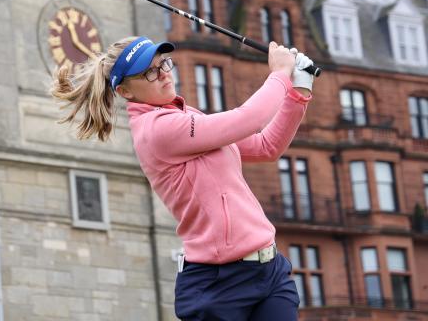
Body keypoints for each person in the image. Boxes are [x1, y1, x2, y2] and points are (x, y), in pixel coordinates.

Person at [51, 36, 314, 320]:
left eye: (163, 63)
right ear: (125, 91)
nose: (163, 73)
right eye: (149, 72)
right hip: (218, 285)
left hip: (269, 269)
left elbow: (266, 146)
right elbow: (248, 119)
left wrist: (299, 91)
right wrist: (279, 74)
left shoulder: (187, 115)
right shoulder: (157, 129)